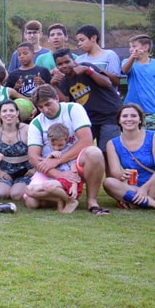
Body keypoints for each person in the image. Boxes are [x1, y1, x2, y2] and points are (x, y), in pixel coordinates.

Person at [26, 84, 108, 215]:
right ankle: (65, 197)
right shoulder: (36, 123)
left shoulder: (73, 109)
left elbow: (87, 141)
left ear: (57, 98)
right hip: (51, 169)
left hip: (75, 164)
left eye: (48, 104)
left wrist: (58, 161)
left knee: (94, 152)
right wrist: (58, 174)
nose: (45, 110)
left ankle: (92, 201)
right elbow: (33, 157)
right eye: (40, 107)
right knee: (32, 203)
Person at [50, 48, 122, 156]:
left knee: (107, 152)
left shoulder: (86, 66)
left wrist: (88, 71)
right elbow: (66, 101)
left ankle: (110, 173)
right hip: (89, 119)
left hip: (109, 115)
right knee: (82, 151)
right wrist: (54, 85)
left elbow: (107, 83)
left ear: (74, 61)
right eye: (60, 64)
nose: (64, 66)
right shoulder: (64, 80)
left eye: (67, 62)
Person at [103, 103, 155, 209]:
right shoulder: (112, 143)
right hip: (133, 186)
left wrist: (144, 188)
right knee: (108, 182)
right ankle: (148, 202)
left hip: (153, 182)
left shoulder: (152, 137)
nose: (129, 119)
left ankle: (134, 201)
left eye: (133, 116)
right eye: (125, 116)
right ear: (119, 120)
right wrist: (122, 175)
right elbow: (115, 172)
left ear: (140, 120)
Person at [25, 123, 82, 213]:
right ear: (48, 139)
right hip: (51, 180)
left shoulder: (69, 149)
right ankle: (59, 200)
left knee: (48, 185)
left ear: (66, 139)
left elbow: (74, 170)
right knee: (29, 190)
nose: (56, 148)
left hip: (67, 180)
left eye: (60, 145)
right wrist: (50, 157)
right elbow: (43, 166)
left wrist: (74, 186)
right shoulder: (46, 148)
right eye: (53, 144)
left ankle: (71, 201)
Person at [0, 100, 32, 201]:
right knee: (2, 194)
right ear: (0, 115)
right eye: (4, 111)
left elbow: (39, 150)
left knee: (16, 195)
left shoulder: (27, 129)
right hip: (4, 171)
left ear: (17, 113)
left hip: (25, 171)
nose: (8, 113)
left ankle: (19, 187)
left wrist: (35, 169)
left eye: (11, 110)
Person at [121, 34, 155, 130]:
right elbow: (125, 70)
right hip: (132, 111)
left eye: (134, 46)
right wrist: (132, 57)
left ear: (145, 47)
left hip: (152, 110)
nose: (131, 49)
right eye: (130, 47)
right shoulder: (127, 61)